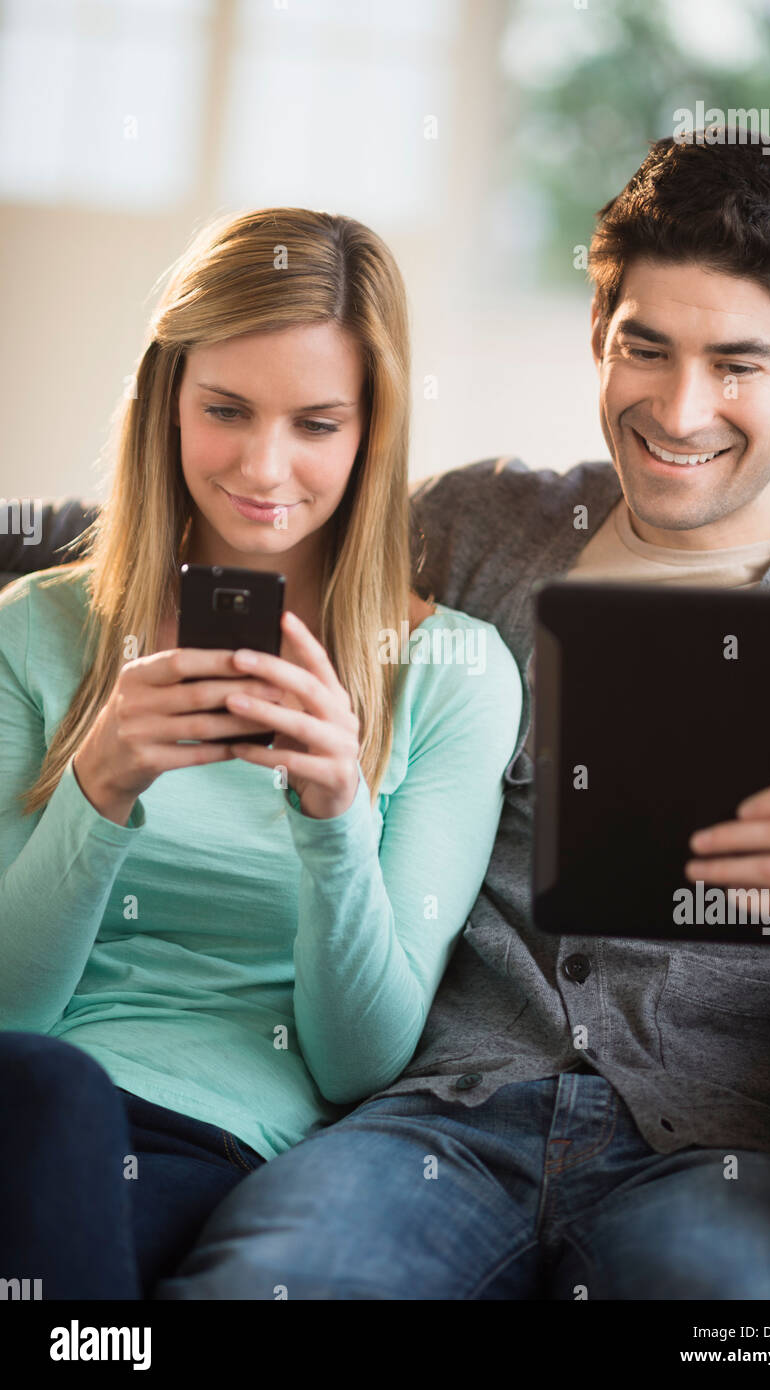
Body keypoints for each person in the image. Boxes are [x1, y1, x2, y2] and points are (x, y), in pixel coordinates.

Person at [155, 131, 770, 1302]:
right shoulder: (477, 528)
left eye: (737, 364)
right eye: (647, 348)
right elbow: (241, 520)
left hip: (718, 1154)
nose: (681, 411)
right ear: (599, 336)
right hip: (440, 1120)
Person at [0, 207, 523, 1299]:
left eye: (317, 423)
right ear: (165, 405)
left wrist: (336, 819)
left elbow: (360, 1061)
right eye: (224, 410)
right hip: (18, 1090)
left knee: (53, 1105)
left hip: (199, 1139)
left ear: (373, 432)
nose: (262, 465)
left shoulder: (450, 675)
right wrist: (96, 790)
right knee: (38, 1085)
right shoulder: (34, 630)